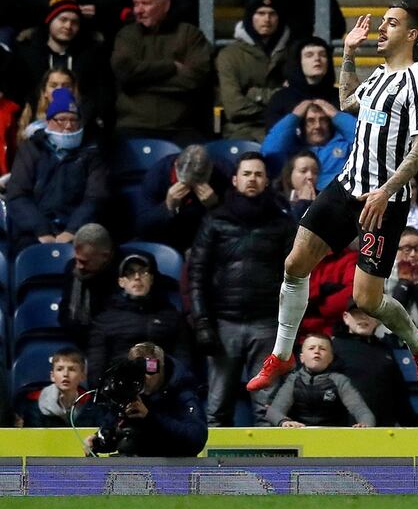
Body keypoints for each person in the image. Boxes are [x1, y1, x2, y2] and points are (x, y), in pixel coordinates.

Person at [248, 4, 418, 396]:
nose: (381, 29)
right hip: (346, 186)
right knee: (294, 263)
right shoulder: (380, 75)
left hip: (384, 201)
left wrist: (386, 191)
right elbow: (348, 100)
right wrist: (349, 53)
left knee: (366, 299)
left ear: (412, 35)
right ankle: (282, 354)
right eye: (382, 22)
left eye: (391, 23)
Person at [189, 152, 297, 426]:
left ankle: (270, 458)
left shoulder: (282, 223)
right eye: (247, 173)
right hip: (224, 323)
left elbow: (295, 277)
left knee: (267, 412)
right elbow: (197, 274)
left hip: (268, 323)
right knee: (216, 409)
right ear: (235, 180)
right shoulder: (214, 220)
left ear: (267, 181)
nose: (252, 179)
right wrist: (202, 322)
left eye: (258, 174)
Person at [111, 0, 213, 146]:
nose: (138, 10)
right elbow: (125, 74)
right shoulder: (127, 35)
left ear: (165, 4)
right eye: (135, 4)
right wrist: (171, 66)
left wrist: (140, 83)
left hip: (180, 129)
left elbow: (195, 79)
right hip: (133, 126)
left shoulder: (189, 35)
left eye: (145, 4)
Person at [6, 87, 108, 253]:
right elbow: (17, 195)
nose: (68, 126)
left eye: (74, 120)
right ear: (49, 121)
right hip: (34, 232)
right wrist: (42, 230)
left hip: (78, 231)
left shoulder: (92, 152)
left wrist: (72, 231)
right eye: (61, 120)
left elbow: (96, 197)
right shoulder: (31, 149)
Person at [86, 342, 208, 457]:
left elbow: (196, 439)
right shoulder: (128, 391)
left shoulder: (181, 390)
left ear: (162, 367)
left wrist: (149, 417)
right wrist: (97, 441)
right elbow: (115, 434)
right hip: (135, 464)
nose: (144, 377)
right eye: (137, 371)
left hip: (172, 465)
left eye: (149, 370)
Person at [86, 252, 188, 388]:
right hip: (121, 389)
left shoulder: (171, 316)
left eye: (143, 272)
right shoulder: (104, 320)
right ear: (121, 282)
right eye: (130, 273)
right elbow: (96, 365)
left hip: (164, 390)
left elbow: (183, 360)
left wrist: (174, 387)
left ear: (151, 279)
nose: (137, 277)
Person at [13, 0, 111, 117]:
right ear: (50, 20)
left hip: (79, 121)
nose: (68, 26)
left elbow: (98, 95)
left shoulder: (90, 57)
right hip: (36, 120)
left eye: (74, 22)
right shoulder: (29, 55)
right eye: (63, 20)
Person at [331, 299, 418, 427]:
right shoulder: (333, 347)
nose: (364, 317)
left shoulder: (385, 350)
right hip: (344, 430)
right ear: (346, 318)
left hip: (382, 431)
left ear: (377, 319)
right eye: (357, 313)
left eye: (369, 313)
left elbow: (400, 397)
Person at [216, 0, 290, 142]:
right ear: (250, 17)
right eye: (260, 13)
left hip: (284, 129)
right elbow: (234, 109)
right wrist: (277, 104)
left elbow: (296, 100)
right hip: (242, 133)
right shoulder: (229, 56)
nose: (267, 19)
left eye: (272, 14)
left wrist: (254, 94)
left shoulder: (292, 53)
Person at [266, 333, 375, 428]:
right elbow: (274, 410)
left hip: (332, 437)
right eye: (311, 348)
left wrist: (365, 424)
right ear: (301, 358)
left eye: (322, 349)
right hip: (300, 434)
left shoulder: (340, 381)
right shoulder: (293, 380)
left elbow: (361, 409)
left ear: (331, 358)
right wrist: (284, 422)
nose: (317, 351)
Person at [137, 144, 231, 253]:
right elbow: (142, 227)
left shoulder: (225, 171)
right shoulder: (158, 174)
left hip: (209, 237)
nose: (192, 188)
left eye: (198, 184)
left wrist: (216, 206)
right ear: (176, 165)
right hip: (169, 236)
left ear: (211, 167)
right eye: (186, 184)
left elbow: (239, 222)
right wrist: (167, 207)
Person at [262, 98, 356, 188]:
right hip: (296, 197)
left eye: (323, 120)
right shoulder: (292, 148)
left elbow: (362, 138)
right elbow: (270, 152)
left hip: (337, 196)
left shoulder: (344, 144)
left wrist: (336, 115)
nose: (317, 126)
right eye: (310, 121)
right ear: (302, 125)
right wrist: (294, 116)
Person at [16, 347, 102, 428]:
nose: (65, 374)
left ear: (83, 376)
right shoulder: (35, 406)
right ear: (52, 376)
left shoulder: (93, 405)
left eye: (72, 369)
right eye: (59, 369)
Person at [263, 37, 337, 129]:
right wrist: (294, 117)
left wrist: (338, 117)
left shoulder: (340, 98)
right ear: (298, 62)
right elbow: (275, 136)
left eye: (323, 55)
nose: (317, 58)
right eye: (309, 55)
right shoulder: (280, 99)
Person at [58, 224, 118, 336]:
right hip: (78, 335)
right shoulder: (72, 268)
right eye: (76, 259)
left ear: (105, 256)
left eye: (84, 261)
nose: (78, 266)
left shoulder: (126, 270)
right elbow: (65, 312)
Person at [277, 149, 320, 220]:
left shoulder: (324, 198)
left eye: (315, 172)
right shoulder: (276, 199)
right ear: (289, 174)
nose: (310, 176)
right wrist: (303, 204)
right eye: (303, 171)